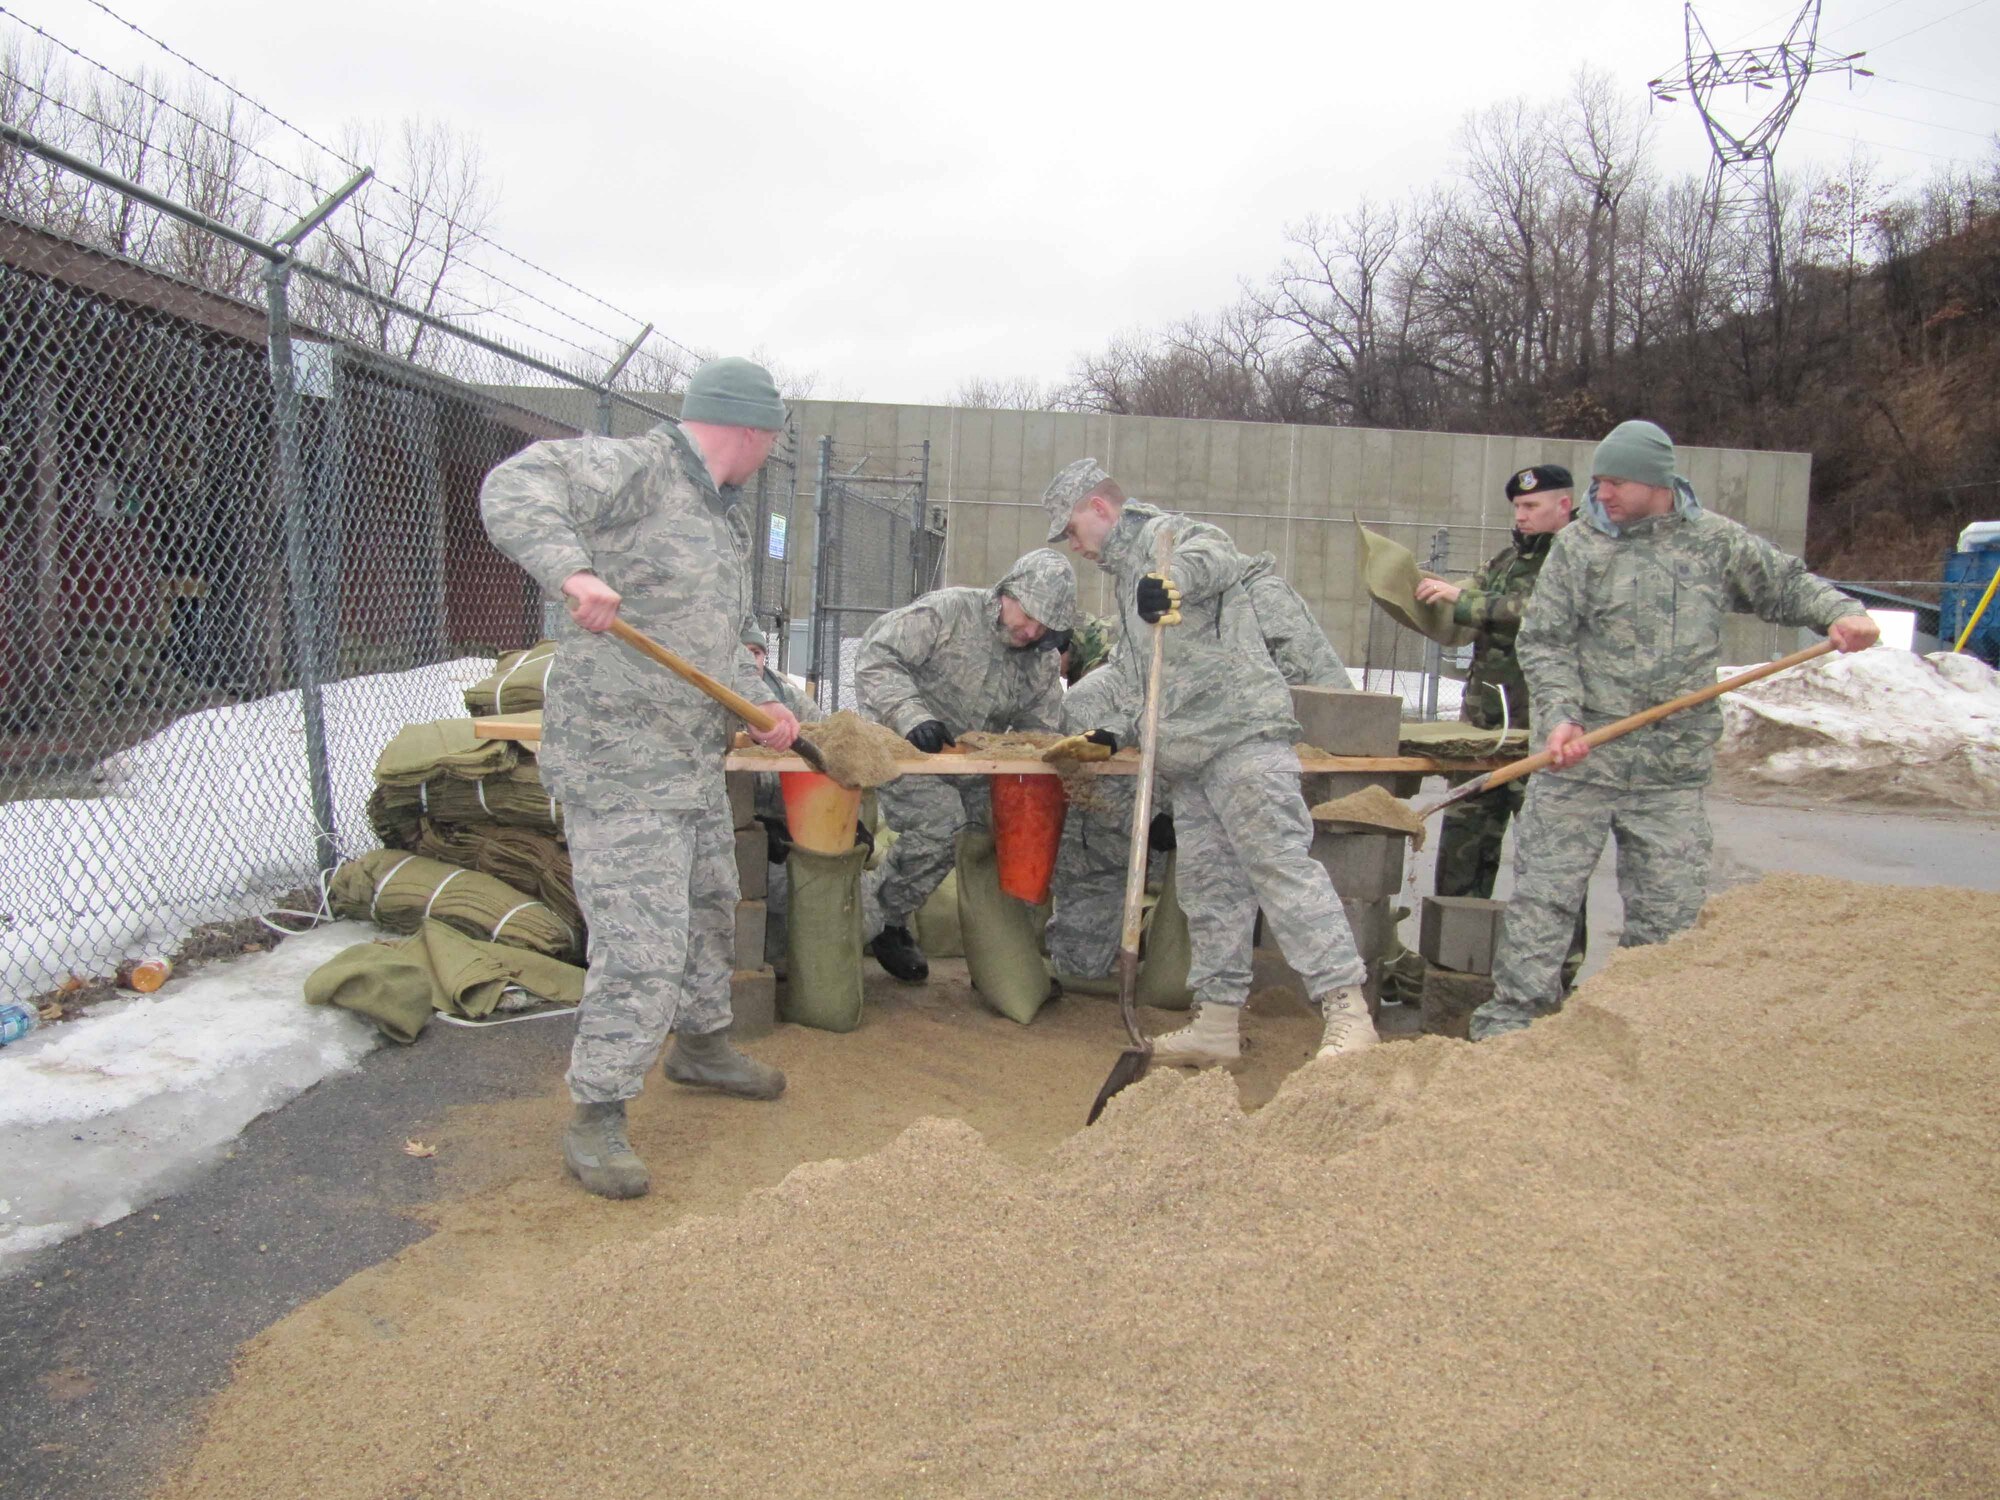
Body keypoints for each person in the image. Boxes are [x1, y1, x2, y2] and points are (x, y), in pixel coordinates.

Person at [480, 356, 802, 1201]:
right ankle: (598, 1114)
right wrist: (573, 571)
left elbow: (712, 642)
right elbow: (514, 486)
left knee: (705, 908)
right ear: (751, 430)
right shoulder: (639, 469)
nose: (771, 452)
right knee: (640, 945)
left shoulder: (718, 518)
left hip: (690, 761)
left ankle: (701, 1047)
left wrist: (765, 702)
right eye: (772, 439)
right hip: (622, 766)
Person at [1470, 421, 1879, 1040]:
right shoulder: (1579, 548)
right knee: (1544, 901)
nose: (1599, 493)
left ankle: (1646, 1029)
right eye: (1598, 481)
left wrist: (1841, 613)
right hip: (1579, 760)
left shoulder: (1713, 543)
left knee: (1669, 913)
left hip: (1670, 770)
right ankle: (1514, 1022)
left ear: (1655, 482)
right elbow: (1546, 642)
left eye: (1612, 482)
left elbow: (1786, 585)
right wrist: (1560, 718)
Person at [1041, 458, 1374, 1065]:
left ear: (1098, 508)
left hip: (1240, 739)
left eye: (1070, 529)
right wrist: (1119, 733)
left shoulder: (1165, 538)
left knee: (1281, 872)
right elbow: (1154, 679)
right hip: (1187, 756)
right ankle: (1217, 1022)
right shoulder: (1121, 581)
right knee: (1211, 893)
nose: (1073, 546)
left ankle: (1348, 1010)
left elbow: (1214, 555)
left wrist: (1174, 582)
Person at [854, 549, 1077, 981]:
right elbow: (876, 656)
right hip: (905, 750)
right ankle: (882, 920)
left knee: (1005, 830)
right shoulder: (949, 613)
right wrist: (910, 714)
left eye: (1044, 627)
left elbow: (1039, 729)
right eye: (1028, 615)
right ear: (1007, 592)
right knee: (944, 823)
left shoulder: (1041, 657)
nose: (1031, 631)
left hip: (971, 764)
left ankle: (997, 957)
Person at [1412, 464, 1588, 991]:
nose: (1522, 515)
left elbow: (1533, 612)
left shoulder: (1581, 556)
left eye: (1532, 507)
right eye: (1517, 507)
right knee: (1464, 851)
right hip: (1486, 736)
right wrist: (1431, 597)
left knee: (1550, 862)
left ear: (1564, 504)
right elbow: (1470, 601)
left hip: (1547, 737)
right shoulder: (1509, 559)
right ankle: (1452, 969)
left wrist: (1464, 600)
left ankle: (1559, 974)